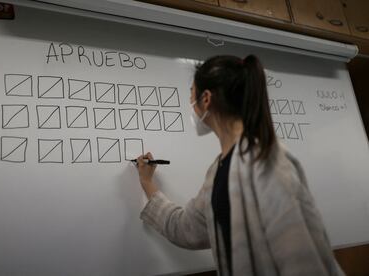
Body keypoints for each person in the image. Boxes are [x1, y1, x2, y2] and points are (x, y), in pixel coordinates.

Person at [134, 55, 344, 276]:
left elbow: (303, 263)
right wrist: (147, 182)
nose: (191, 105)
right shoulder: (219, 170)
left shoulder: (266, 163)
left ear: (206, 99)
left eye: (191, 95)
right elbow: (185, 229)